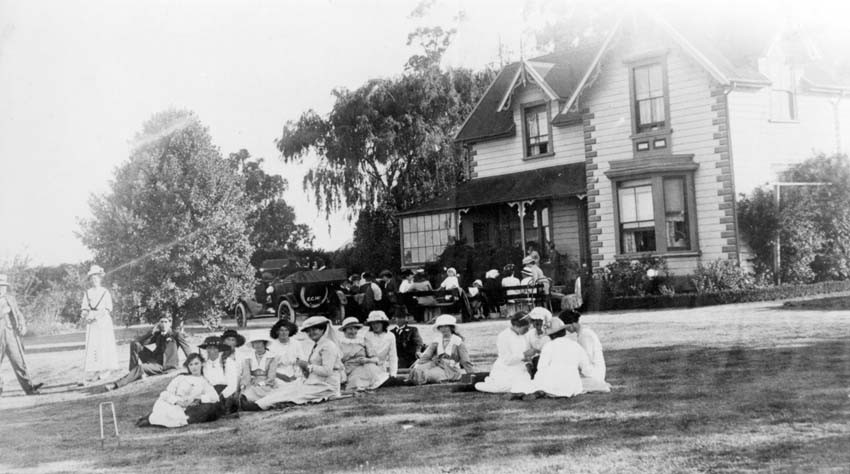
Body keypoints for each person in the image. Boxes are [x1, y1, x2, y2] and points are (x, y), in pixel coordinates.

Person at [255, 316, 343, 409]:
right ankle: (258, 403)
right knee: (287, 389)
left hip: (327, 386)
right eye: (308, 331)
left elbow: (327, 371)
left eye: (315, 329)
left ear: (323, 330)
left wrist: (307, 366)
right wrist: (305, 369)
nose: (311, 333)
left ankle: (260, 406)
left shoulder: (328, 346)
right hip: (315, 381)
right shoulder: (318, 345)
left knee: (293, 394)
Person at [511, 318, 594, 399]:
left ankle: (538, 391)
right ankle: (543, 391)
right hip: (571, 386)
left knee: (525, 383)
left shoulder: (548, 346)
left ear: (551, 335)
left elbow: (541, 368)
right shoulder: (576, 345)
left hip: (551, 383)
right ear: (564, 331)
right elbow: (586, 369)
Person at [107, 314, 192, 391]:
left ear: (170, 323)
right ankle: (133, 372)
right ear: (158, 323)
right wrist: (151, 332)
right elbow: (139, 342)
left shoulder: (176, 335)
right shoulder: (157, 334)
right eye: (161, 322)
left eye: (166, 322)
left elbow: (187, 349)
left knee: (141, 367)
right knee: (135, 344)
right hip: (153, 359)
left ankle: (116, 384)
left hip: (163, 365)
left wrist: (193, 365)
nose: (163, 324)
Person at [137, 353, 221, 428]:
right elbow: (166, 393)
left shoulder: (204, 381)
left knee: (205, 409)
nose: (194, 367)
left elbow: (215, 397)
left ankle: (154, 419)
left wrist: (198, 398)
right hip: (175, 403)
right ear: (188, 366)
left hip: (189, 407)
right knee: (166, 407)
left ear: (202, 364)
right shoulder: (181, 377)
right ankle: (152, 418)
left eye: (196, 364)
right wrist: (177, 401)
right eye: (191, 364)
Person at [0, 274, 42, 396]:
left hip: (11, 334)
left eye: (3, 286)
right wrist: (3, 312)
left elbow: (18, 313)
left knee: (18, 361)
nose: (1, 289)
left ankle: (29, 388)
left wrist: (23, 325)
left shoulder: (10, 298)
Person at [474, 312, 533, 393]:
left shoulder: (524, 335)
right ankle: (483, 383)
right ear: (516, 326)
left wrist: (528, 362)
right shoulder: (504, 336)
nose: (527, 331)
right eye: (525, 328)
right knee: (508, 387)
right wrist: (524, 355)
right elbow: (507, 360)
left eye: (528, 328)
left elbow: (527, 352)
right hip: (506, 368)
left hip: (520, 369)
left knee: (524, 385)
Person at [79, 265, 119, 386]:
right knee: (94, 346)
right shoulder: (88, 292)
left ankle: (105, 369)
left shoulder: (105, 292)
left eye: (96, 278)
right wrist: (85, 316)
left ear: (100, 279)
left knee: (104, 344)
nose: (94, 280)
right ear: (90, 280)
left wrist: (97, 316)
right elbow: (85, 308)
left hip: (103, 321)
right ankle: (96, 369)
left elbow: (108, 308)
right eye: (92, 279)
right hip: (92, 323)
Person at [408, 315, 474, 385]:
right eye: (441, 327)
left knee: (430, 374)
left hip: (451, 369)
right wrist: (418, 364)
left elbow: (465, 360)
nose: (443, 329)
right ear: (438, 328)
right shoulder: (437, 340)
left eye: (446, 326)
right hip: (437, 364)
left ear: (451, 327)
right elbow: (427, 355)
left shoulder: (458, 342)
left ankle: (441, 378)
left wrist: (470, 374)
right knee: (417, 370)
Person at [562, 310, 611, 393]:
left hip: (594, 373)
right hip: (591, 371)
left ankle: (598, 384)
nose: (566, 329)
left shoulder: (585, 335)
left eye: (565, 326)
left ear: (572, 324)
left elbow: (587, 359)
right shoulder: (583, 333)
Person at [338, 317, 387, 391]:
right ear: (344, 330)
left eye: (355, 329)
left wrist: (367, 360)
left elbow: (376, 359)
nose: (353, 331)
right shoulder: (339, 343)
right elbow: (337, 361)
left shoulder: (363, 341)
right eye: (350, 329)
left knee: (368, 370)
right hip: (347, 370)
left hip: (365, 367)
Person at [199, 336, 239, 414]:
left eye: (215, 348)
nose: (212, 351)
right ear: (206, 349)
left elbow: (232, 385)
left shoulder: (228, 362)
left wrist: (222, 396)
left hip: (225, 394)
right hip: (211, 393)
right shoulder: (204, 365)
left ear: (220, 349)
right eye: (209, 348)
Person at [239, 331, 279, 410]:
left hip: (267, 383)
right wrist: (243, 384)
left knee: (270, 397)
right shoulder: (248, 358)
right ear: (252, 345)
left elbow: (271, 376)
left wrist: (261, 383)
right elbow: (246, 375)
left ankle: (260, 404)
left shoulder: (272, 357)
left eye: (259, 342)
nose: (257, 345)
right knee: (247, 395)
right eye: (255, 343)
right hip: (253, 383)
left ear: (264, 343)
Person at [363, 311, 398, 382]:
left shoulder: (390, 336)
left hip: (382, 368)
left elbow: (393, 356)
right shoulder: (367, 336)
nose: (375, 325)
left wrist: (393, 374)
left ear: (383, 323)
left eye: (378, 323)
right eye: (373, 323)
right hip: (368, 367)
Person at [268, 319, 306, 384]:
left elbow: (302, 361)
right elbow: (268, 367)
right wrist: (282, 376)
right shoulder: (271, 346)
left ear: (290, 331)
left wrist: (296, 375)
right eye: (281, 330)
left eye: (286, 330)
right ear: (277, 331)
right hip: (278, 374)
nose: (284, 333)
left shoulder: (296, 343)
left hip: (295, 372)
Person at [525, 308, 553, 375]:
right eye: (534, 320)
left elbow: (552, 353)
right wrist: (528, 364)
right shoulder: (529, 334)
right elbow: (527, 351)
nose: (537, 322)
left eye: (540, 320)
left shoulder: (551, 334)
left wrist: (537, 351)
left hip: (549, 365)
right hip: (534, 365)